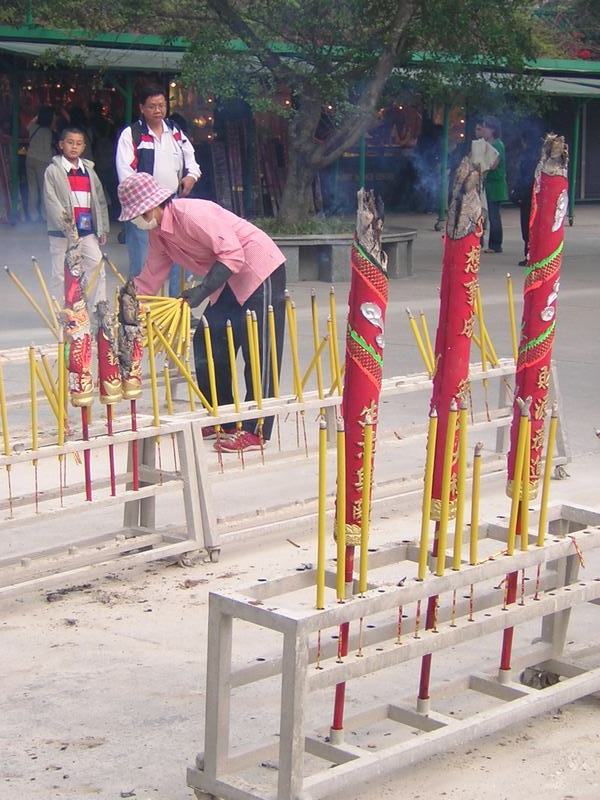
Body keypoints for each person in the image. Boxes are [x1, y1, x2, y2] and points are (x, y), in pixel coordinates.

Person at [117, 172, 286, 454]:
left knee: (259, 350)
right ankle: (224, 418)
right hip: (226, 279)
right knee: (208, 340)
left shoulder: (192, 214)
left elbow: (232, 254)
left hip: (258, 270)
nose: (139, 219)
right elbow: (151, 275)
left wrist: (200, 292)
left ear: (156, 204)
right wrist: (128, 299)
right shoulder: (158, 234)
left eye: (141, 213)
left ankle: (257, 430)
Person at [115, 85, 201, 284]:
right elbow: (126, 175)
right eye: (152, 106)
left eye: (162, 105)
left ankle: (175, 311)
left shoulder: (175, 131)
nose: (158, 110)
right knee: (143, 261)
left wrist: (192, 176)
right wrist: (148, 203)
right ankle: (139, 310)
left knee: (178, 259)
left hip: (172, 204)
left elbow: (191, 159)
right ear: (141, 108)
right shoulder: (132, 134)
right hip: (142, 208)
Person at [43, 126, 109, 307]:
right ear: (61, 145)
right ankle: (60, 311)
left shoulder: (89, 171)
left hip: (86, 230)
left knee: (96, 266)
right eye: (70, 142)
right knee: (60, 273)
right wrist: (67, 227)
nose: (74, 147)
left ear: (83, 147)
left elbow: (100, 201)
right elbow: (51, 201)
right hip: (61, 233)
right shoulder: (53, 171)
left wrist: (102, 228)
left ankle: (96, 307)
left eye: (78, 144)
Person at [511, 129, 540, 266]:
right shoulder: (540, 157)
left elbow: (524, 179)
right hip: (537, 197)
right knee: (533, 227)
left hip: (528, 196)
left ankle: (529, 255)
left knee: (527, 228)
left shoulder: (527, 158)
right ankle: (534, 255)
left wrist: (517, 192)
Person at [480, 116, 508, 253]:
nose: (483, 129)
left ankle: (495, 244)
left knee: (494, 215)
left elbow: (494, 164)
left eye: (485, 127)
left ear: (492, 129)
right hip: (487, 183)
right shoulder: (485, 143)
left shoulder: (498, 145)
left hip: (495, 184)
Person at [26, 106, 55, 222]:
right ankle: (44, 214)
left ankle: (33, 215)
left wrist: (38, 115)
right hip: (43, 161)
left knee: (32, 188)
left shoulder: (33, 127)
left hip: (30, 159)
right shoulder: (48, 131)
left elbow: (27, 126)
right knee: (44, 189)